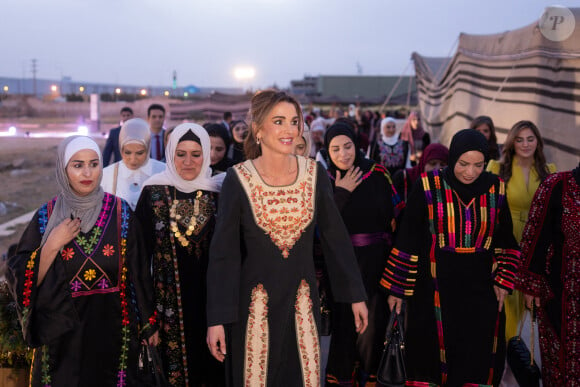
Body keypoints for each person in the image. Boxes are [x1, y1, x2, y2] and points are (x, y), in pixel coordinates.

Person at [206, 90, 368, 386]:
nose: (289, 130)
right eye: (278, 121)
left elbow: (336, 239)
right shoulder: (238, 178)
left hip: (303, 304)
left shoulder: (314, 173)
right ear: (258, 130)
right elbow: (223, 254)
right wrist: (216, 318)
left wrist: (355, 294)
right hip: (253, 308)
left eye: (294, 121)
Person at [7, 136, 158, 386]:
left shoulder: (121, 213)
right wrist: (53, 244)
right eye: (77, 165)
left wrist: (149, 324)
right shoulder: (46, 217)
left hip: (114, 334)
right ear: (64, 169)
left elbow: (139, 273)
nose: (87, 172)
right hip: (62, 339)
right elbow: (21, 277)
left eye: (94, 163)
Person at [383, 129, 521, 386]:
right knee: (431, 357)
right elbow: (408, 239)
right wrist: (397, 289)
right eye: (463, 164)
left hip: (480, 296)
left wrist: (503, 280)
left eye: (478, 165)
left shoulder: (495, 189)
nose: (470, 172)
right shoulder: (427, 187)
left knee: (476, 358)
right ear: (453, 158)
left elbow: (506, 242)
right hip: (432, 294)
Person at [135, 123, 225, 386]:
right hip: (167, 309)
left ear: (206, 154)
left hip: (213, 306)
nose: (188, 162)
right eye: (180, 154)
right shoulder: (153, 192)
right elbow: (139, 260)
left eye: (196, 154)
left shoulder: (218, 192)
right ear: (170, 154)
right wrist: (146, 317)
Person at [322, 121, 403, 386]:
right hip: (342, 266)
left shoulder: (378, 173)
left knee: (372, 328)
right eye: (335, 149)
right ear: (327, 151)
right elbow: (322, 227)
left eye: (348, 146)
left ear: (357, 145)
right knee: (345, 328)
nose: (343, 154)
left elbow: (396, 219)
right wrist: (342, 193)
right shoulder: (324, 180)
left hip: (377, 264)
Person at [487, 120, 556, 340]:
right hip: (508, 240)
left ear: (538, 141)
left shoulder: (550, 172)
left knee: (534, 305)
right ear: (512, 143)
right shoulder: (497, 169)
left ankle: (524, 362)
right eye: (519, 139)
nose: (525, 144)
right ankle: (503, 360)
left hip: (537, 243)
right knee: (504, 301)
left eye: (530, 139)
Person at [517, 163, 580, 387]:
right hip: (562, 300)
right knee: (562, 369)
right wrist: (530, 285)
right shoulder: (556, 186)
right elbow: (535, 237)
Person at [101, 118, 165, 210]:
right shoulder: (107, 175)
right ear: (120, 149)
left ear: (148, 149)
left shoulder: (162, 171)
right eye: (127, 153)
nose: (133, 159)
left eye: (139, 153)